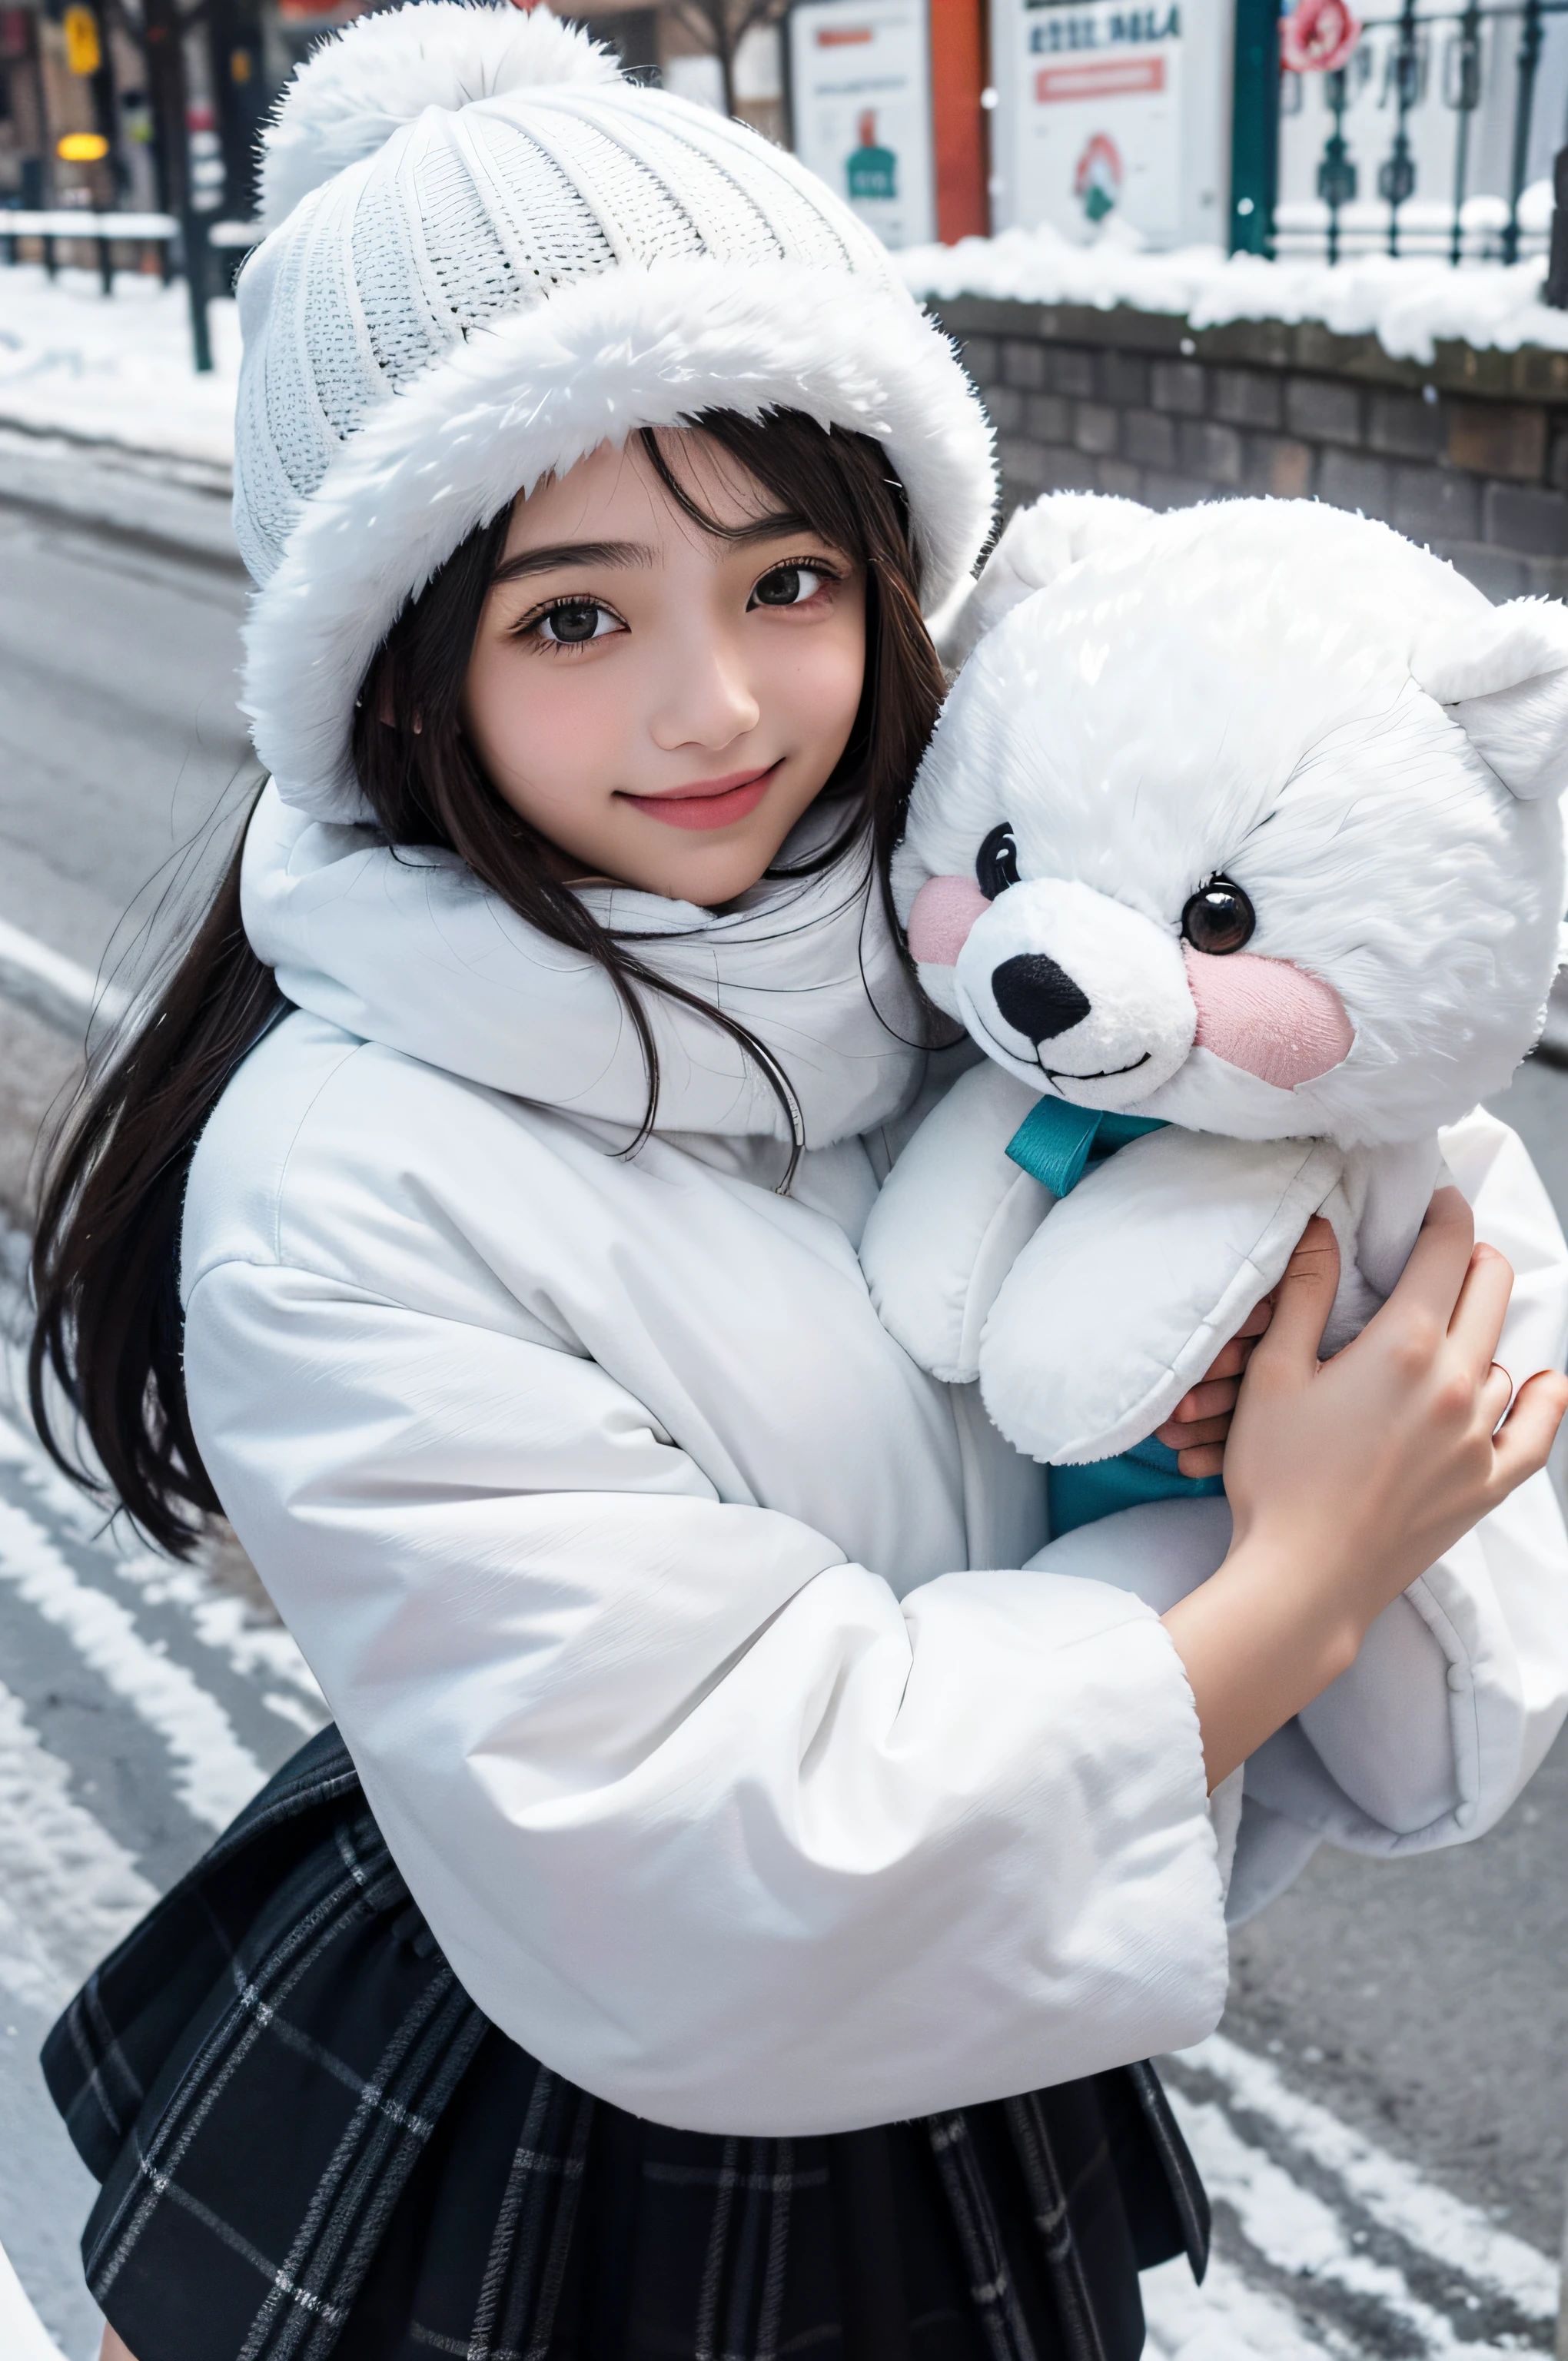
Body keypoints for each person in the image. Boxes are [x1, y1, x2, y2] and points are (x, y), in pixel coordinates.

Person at [28, 8, 1568, 2358]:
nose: (719, 711)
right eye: (573, 615)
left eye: (782, 581)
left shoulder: (987, 946)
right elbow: (709, 1848)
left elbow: (1416, 1237)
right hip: (573, 2110)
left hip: (957, 2057)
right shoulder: (346, 1184)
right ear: (395, 672)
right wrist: (1308, 1564)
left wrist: (1278, 1388)